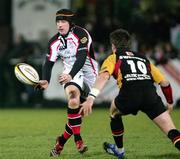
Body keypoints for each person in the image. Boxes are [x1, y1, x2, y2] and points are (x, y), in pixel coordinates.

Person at [79, 29, 180, 158]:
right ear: (129, 44)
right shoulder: (144, 58)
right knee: (172, 131)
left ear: (113, 45)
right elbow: (165, 82)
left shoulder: (113, 57)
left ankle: (120, 150)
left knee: (114, 112)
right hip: (150, 97)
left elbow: (103, 77)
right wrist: (170, 102)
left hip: (129, 95)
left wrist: (90, 98)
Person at [37, 9, 98, 157]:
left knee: (76, 116)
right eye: (58, 22)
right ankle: (78, 139)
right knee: (72, 100)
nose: (59, 25)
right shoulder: (54, 42)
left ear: (71, 24)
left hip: (90, 74)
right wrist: (46, 80)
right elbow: (48, 63)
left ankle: (60, 143)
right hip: (71, 73)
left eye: (63, 21)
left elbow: (82, 57)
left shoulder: (81, 34)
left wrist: (70, 75)